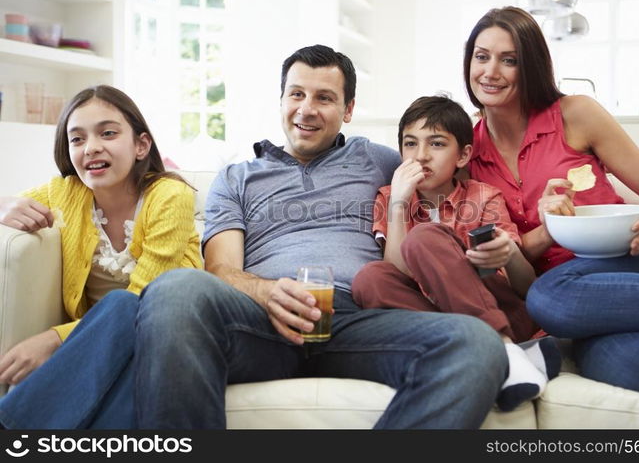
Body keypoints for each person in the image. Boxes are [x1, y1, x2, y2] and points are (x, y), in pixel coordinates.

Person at [131, 44, 509, 428]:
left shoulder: (379, 160)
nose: (306, 109)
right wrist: (267, 292)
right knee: (175, 289)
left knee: (475, 344)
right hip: (263, 320)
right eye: (296, 94)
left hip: (356, 320)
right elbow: (220, 269)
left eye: (324, 98)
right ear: (281, 101)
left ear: (348, 110)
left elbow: (447, 156)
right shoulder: (237, 178)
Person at [463, 6, 639, 393]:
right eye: (481, 56)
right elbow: (501, 259)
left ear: (532, 66)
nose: (490, 72)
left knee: (549, 298)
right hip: (580, 299)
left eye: (509, 60)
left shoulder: (576, 113)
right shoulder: (467, 154)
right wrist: (548, 228)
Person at [0, 85, 201, 428]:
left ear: (141, 145)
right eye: (76, 139)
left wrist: (54, 339)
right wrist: (4, 204)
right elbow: (11, 200)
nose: (91, 147)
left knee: (125, 305)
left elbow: (144, 299)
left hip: (172, 335)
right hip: (106, 349)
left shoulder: (170, 195)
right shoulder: (65, 192)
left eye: (107, 133)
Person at [351, 95, 560, 411]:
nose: (420, 156)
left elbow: (524, 286)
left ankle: (503, 349)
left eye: (436, 144)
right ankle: (480, 349)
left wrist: (509, 254)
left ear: (463, 155)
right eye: (410, 144)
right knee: (370, 278)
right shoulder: (389, 196)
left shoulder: (484, 196)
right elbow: (397, 271)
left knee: (424, 238)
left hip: (501, 313)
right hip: (440, 323)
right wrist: (398, 204)